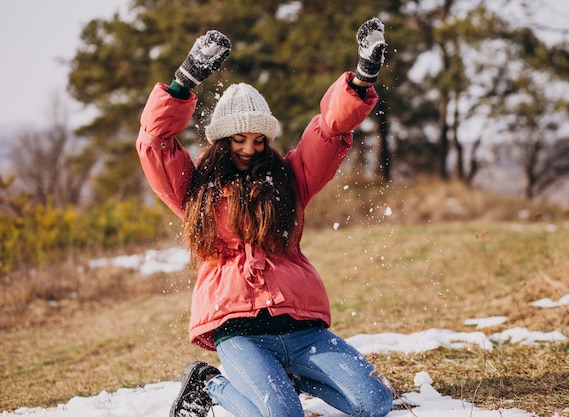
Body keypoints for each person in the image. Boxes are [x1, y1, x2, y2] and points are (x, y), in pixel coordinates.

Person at [136, 17, 392, 417]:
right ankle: (209, 384)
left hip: (302, 328)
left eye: (258, 140)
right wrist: (184, 82)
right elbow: (154, 142)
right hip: (240, 333)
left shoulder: (289, 179)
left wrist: (360, 80)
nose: (249, 149)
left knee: (376, 402)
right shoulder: (194, 191)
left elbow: (328, 131)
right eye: (239, 139)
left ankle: (283, 376)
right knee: (283, 415)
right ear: (222, 139)